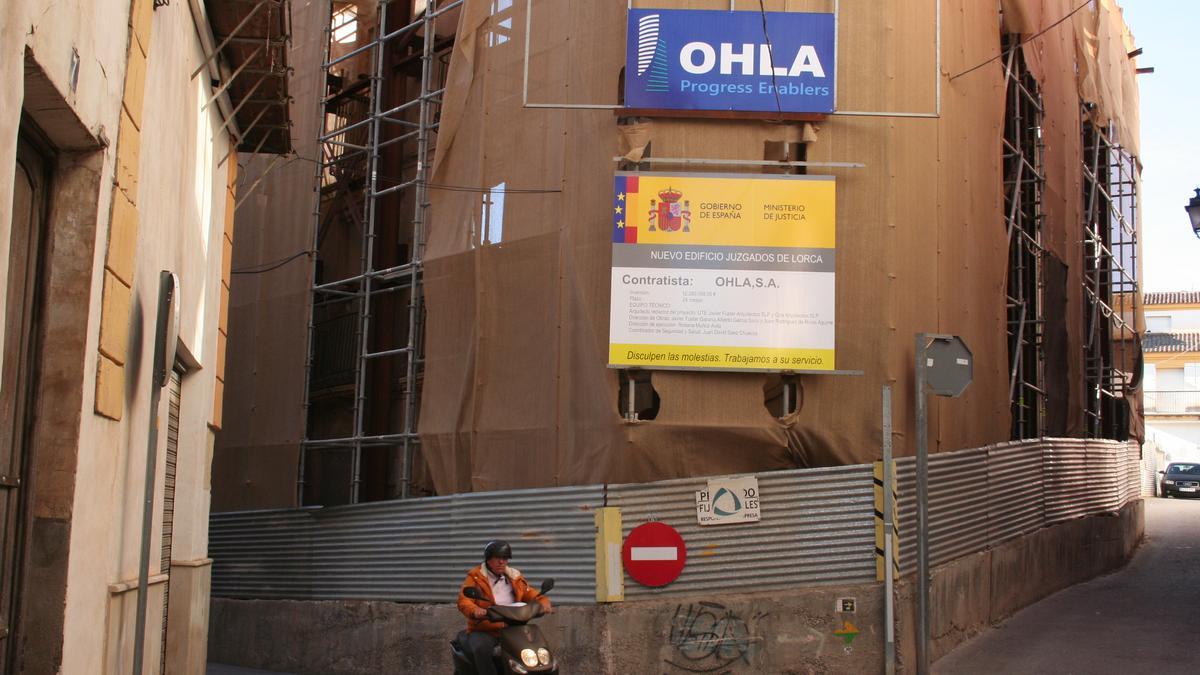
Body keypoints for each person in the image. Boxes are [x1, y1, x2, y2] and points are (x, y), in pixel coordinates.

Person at [457, 540, 552, 675]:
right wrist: (475, 610)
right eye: (497, 558)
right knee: (481, 649)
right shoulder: (476, 577)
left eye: (505, 558)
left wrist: (543, 601)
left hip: (512, 628)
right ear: (488, 560)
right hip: (485, 629)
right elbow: (464, 600)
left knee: (535, 649)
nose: (501, 562)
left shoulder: (514, 576)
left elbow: (528, 593)